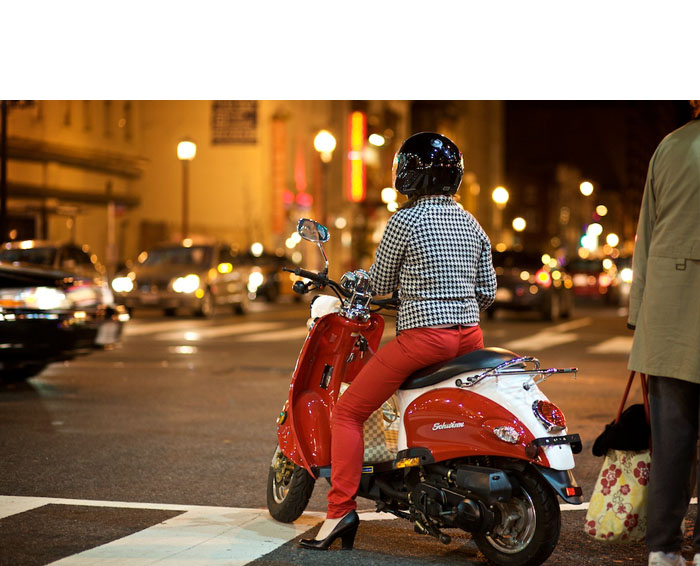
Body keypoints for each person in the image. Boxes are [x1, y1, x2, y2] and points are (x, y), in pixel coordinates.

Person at [298, 132, 497, 550]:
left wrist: (403, 291)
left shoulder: (405, 221)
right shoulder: (471, 222)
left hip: (426, 340)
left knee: (348, 414)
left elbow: (382, 282)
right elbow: (487, 292)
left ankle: (339, 513)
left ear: (412, 175)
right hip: (470, 340)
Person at [627, 101, 700, 566]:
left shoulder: (669, 148)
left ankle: (662, 549)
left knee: (672, 440)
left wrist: (639, 314)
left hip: (670, 313)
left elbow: (646, 237)